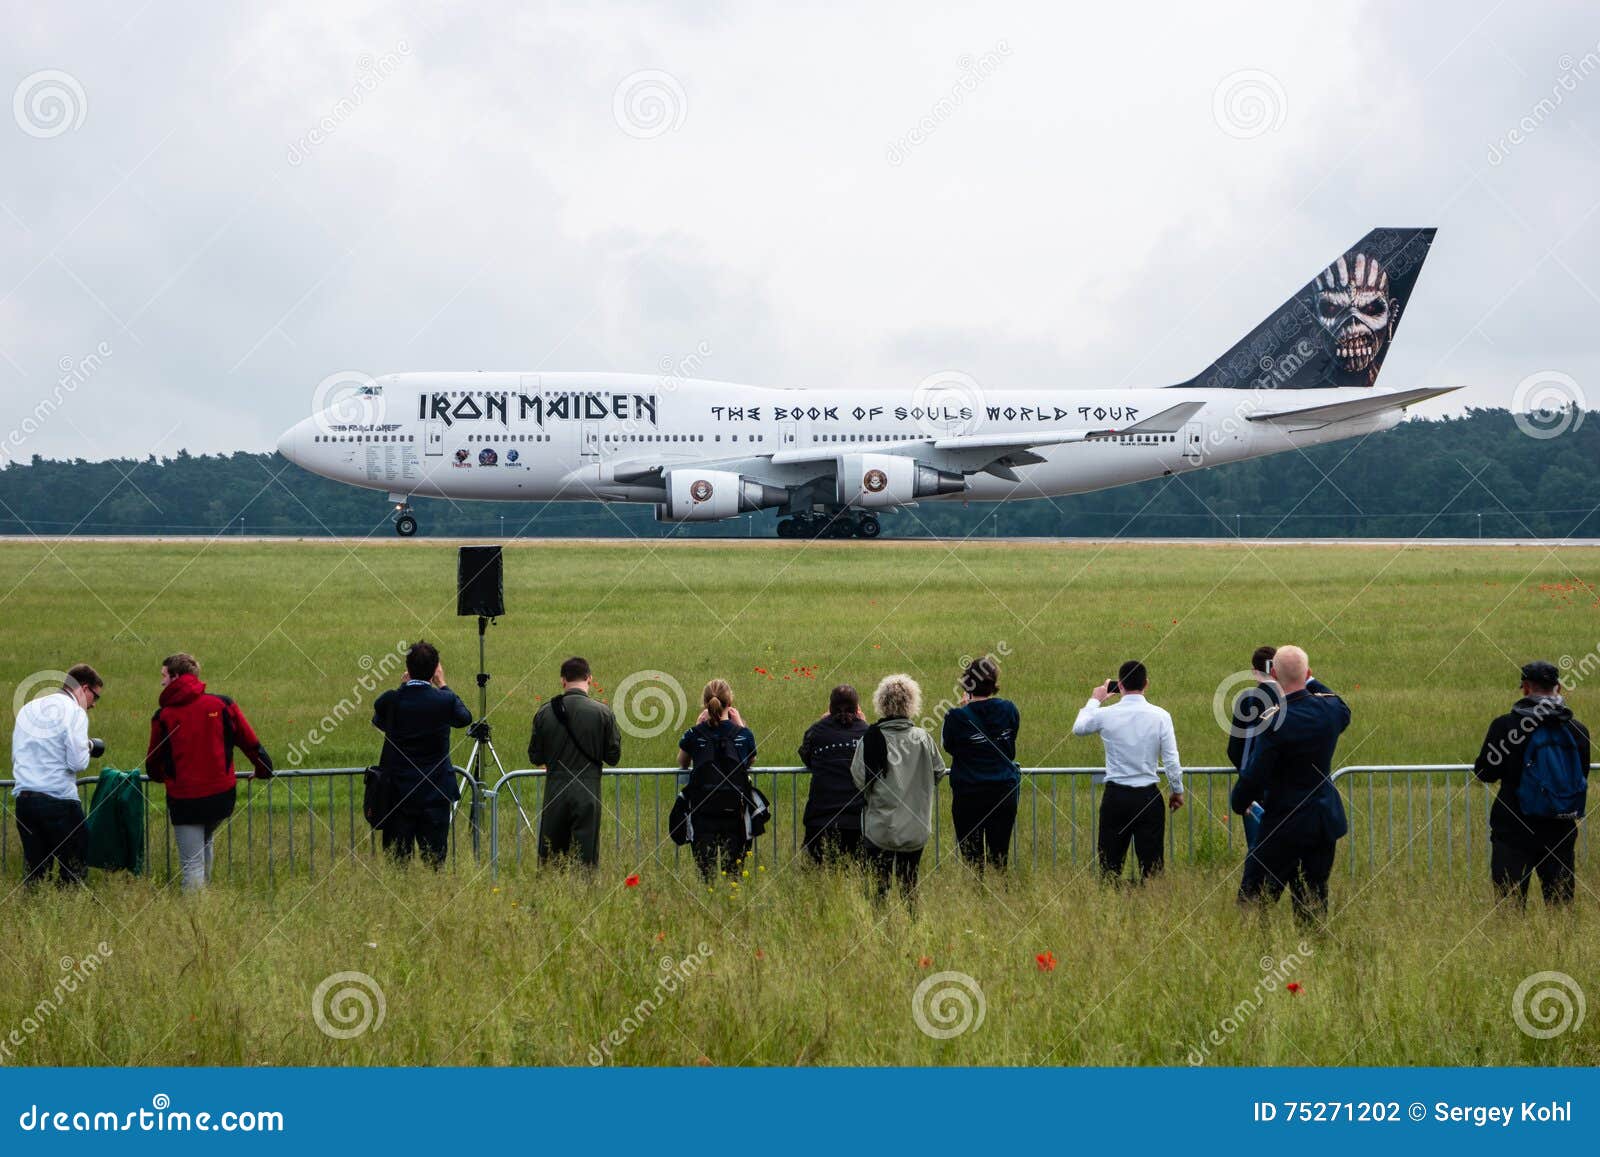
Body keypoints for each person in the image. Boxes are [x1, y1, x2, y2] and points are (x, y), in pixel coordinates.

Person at [1230, 645, 1349, 926]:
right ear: (1308, 673)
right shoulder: (1330, 711)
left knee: (1255, 894)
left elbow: (1256, 773)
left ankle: (1256, 947)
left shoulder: (1275, 721)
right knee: (1313, 898)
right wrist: (1309, 679)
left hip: (1284, 821)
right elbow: (1341, 704)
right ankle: (1312, 952)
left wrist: (1240, 800)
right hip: (1322, 820)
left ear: (1273, 674)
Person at [147, 653, 274, 890]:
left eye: (164, 676)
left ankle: (196, 918)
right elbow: (250, 742)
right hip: (221, 797)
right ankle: (207, 902)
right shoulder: (222, 705)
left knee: (191, 864)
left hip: (184, 800)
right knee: (206, 841)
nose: (162, 682)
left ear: (176, 677)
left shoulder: (164, 715)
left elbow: (152, 761)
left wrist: (160, 777)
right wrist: (264, 770)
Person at [1472, 660, 1591, 908]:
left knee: (1510, 907)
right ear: (1558, 688)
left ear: (1526, 688)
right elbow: (1582, 775)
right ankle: (1558, 946)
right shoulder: (1577, 730)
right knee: (1560, 907)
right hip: (1560, 827)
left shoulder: (1505, 726)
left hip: (1513, 827)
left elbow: (1485, 772)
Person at [1074, 660, 1184, 884]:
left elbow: (1079, 728)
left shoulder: (1106, 714)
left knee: (1110, 865)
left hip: (1116, 796)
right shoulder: (1161, 715)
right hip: (1148, 796)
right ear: (1146, 684)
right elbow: (1171, 760)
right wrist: (1177, 790)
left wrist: (1095, 700)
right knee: (1152, 867)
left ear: (1119, 685)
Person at [370, 641, 471, 867]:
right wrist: (443, 684)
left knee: (398, 861)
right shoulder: (445, 701)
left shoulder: (391, 700)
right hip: (435, 791)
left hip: (398, 792)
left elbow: (380, 721)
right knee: (435, 859)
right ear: (436, 669)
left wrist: (401, 688)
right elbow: (464, 718)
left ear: (407, 667)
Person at [851, 674, 945, 900]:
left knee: (878, 890)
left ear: (881, 703)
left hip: (880, 828)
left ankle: (878, 929)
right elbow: (939, 771)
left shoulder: (871, 738)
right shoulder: (922, 738)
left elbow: (859, 778)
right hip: (915, 827)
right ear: (912, 703)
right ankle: (910, 926)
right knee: (909, 885)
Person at [11, 665, 104, 886]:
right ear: (84, 688)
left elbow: (16, 755)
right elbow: (77, 762)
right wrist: (89, 746)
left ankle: (32, 914)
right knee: (74, 867)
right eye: (95, 697)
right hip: (58, 799)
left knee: (35, 871)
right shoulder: (74, 712)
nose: (93, 704)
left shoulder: (28, 709)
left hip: (24, 800)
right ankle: (69, 915)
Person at [528, 656, 623, 868]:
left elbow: (535, 756)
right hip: (588, 789)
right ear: (589, 678)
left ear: (563, 681)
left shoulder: (545, 712)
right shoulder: (602, 713)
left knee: (551, 859)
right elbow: (613, 757)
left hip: (555, 790)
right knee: (585, 859)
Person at [941, 656, 1021, 870]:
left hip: (969, 792)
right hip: (1003, 791)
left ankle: (977, 895)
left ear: (966, 683)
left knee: (972, 859)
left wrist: (964, 711)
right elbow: (1010, 742)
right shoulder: (1009, 709)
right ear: (994, 683)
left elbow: (949, 746)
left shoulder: (956, 716)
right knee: (1000, 856)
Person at [677, 679, 759, 881]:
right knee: (734, 875)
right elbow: (750, 760)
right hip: (735, 813)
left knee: (706, 875)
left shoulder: (694, 734)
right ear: (730, 702)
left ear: (705, 703)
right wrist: (740, 724)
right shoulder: (743, 735)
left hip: (703, 812)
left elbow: (682, 763)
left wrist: (697, 727)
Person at [1226, 646, 1279, 893]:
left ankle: (1254, 898)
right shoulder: (1291, 697)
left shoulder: (1247, 700)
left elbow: (1235, 749)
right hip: (1285, 787)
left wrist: (1247, 777)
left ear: (1254, 671)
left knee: (1257, 847)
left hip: (1254, 788)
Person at [799, 684, 869, 864]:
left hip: (820, 819)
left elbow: (806, 757)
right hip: (857, 820)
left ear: (830, 708)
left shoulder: (816, 731)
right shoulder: (867, 733)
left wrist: (822, 722)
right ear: (857, 708)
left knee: (815, 880)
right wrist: (863, 723)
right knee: (858, 876)